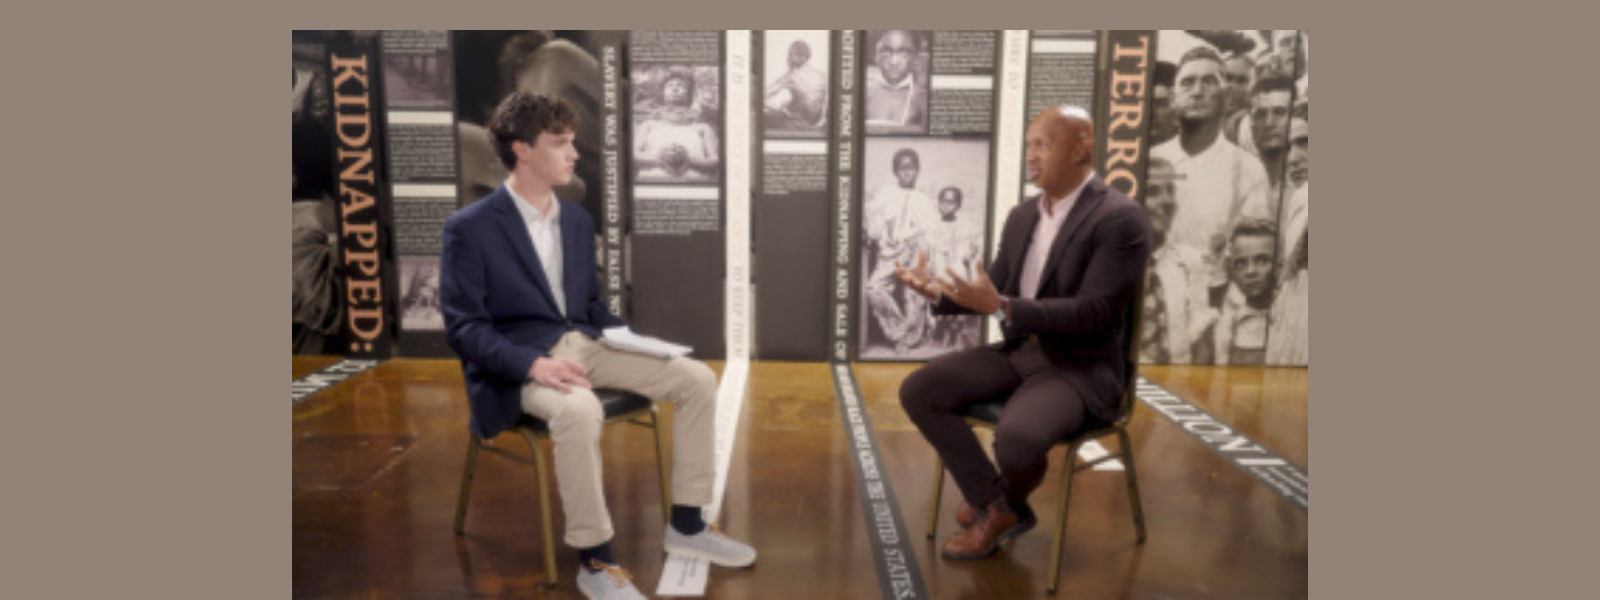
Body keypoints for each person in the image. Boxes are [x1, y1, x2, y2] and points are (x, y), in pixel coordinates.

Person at [440, 92, 755, 600]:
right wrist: (533, 365)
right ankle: (596, 559)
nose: (573, 153)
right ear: (522, 149)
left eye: (572, 142)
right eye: (560, 143)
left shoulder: (577, 221)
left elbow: (586, 307)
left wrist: (632, 339)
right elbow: (464, 329)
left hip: (583, 344)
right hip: (517, 362)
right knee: (580, 410)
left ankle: (688, 524)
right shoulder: (468, 228)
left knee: (696, 379)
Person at [894, 106, 1151, 560]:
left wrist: (1004, 307)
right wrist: (935, 292)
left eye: (1043, 145)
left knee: (1017, 440)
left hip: (1080, 366)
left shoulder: (1120, 217)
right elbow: (992, 290)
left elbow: (1095, 312)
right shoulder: (1022, 216)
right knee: (920, 390)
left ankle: (1000, 507)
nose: (1031, 156)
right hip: (1022, 351)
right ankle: (998, 505)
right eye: (1029, 145)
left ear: (1081, 148)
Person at [1152, 47, 1272, 290]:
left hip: (1217, 295)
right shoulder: (1151, 159)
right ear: (1174, 97)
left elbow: (1254, 252)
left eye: (1209, 82)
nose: (1197, 92)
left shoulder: (1248, 169)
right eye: (1188, 83)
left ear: (1226, 95)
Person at [863, 147, 940, 353]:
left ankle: (910, 338)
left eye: (911, 167)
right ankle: (898, 332)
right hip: (890, 251)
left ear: (917, 170)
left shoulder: (924, 201)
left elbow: (931, 231)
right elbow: (873, 226)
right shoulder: (885, 195)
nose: (907, 172)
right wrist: (884, 237)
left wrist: (926, 257)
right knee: (874, 288)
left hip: (916, 249)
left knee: (914, 293)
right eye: (902, 168)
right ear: (895, 171)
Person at [1144, 158, 1217, 364]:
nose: (1167, 201)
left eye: (1171, 191)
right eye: (1152, 192)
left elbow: (1201, 339)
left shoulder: (1190, 261)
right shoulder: (1108, 264)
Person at [634, 70, 720, 183]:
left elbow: (714, 160)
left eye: (680, 86)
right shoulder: (648, 126)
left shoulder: (703, 128)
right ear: (662, 93)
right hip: (653, 183)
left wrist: (687, 159)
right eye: (669, 86)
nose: (675, 88)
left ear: (689, 93)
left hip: (694, 186)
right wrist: (662, 157)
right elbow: (634, 155)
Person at [1213, 218, 1277, 365]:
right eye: (1241, 263)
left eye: (1262, 261)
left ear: (1278, 263)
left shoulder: (1293, 318)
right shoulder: (1227, 325)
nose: (1250, 271)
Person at [865, 30, 928, 133]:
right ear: (875, 55)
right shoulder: (864, 94)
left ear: (915, 57)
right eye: (886, 52)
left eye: (903, 53)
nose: (894, 62)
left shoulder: (923, 101)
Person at [763, 38, 829, 134]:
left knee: (762, 116)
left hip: (796, 124)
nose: (787, 59)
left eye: (789, 55)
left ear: (794, 57)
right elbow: (818, 100)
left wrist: (778, 109)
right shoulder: (822, 75)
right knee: (786, 103)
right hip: (816, 123)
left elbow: (763, 95)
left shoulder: (791, 76)